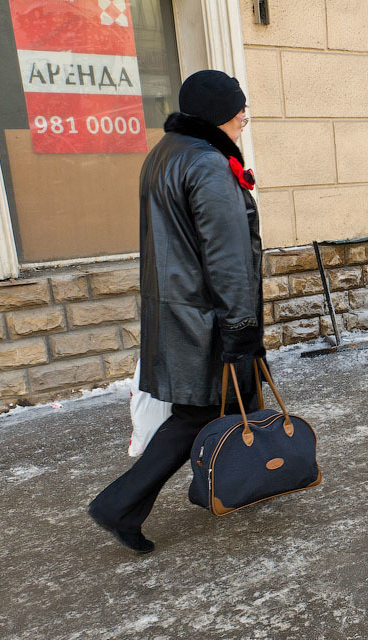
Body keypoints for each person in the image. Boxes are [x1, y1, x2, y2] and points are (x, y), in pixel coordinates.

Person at [88, 70, 265, 553]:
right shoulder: (208, 163)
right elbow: (226, 255)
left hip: (181, 309)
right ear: (217, 116)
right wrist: (241, 325)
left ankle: (250, 480)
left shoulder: (165, 153)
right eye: (238, 114)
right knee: (197, 414)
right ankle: (119, 505)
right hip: (207, 315)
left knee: (243, 402)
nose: (242, 121)